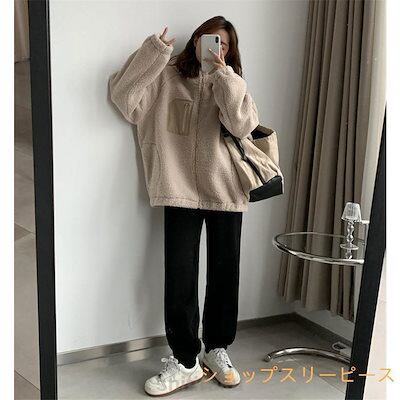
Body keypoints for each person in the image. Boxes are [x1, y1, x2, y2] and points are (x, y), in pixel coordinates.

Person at [109, 15, 260, 397]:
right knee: (179, 276)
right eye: (210, 40)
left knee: (225, 273)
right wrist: (154, 52)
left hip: (226, 189)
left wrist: (224, 76)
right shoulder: (165, 76)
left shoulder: (233, 82)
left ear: (231, 51)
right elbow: (125, 99)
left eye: (224, 44)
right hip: (177, 188)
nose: (216, 49)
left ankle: (217, 348)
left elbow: (243, 126)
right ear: (195, 41)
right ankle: (185, 360)